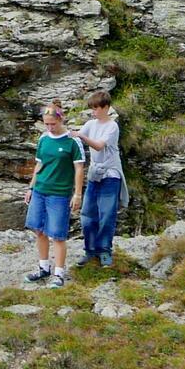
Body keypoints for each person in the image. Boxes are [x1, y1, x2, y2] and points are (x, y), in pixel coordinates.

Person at [24, 101, 87, 289]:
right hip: (40, 190)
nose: (50, 127)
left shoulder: (72, 141)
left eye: (53, 123)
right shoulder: (44, 139)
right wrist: (30, 188)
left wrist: (77, 194)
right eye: (47, 123)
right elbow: (39, 164)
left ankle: (59, 273)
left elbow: (79, 168)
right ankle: (43, 268)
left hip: (59, 194)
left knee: (58, 235)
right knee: (39, 230)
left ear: (61, 119)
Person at [74, 90, 124, 268]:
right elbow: (77, 140)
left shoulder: (112, 126)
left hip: (111, 176)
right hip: (95, 175)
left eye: (96, 108)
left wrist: (81, 136)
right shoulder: (90, 124)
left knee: (107, 215)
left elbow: (99, 145)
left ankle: (104, 251)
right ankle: (90, 250)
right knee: (87, 214)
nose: (93, 112)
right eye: (92, 108)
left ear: (106, 108)